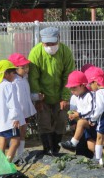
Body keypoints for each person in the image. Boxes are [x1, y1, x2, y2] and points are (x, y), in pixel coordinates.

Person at [28, 27, 75, 156]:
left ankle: (55, 148)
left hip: (60, 95)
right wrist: (37, 98)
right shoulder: (35, 53)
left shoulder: (65, 52)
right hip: (42, 97)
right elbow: (33, 78)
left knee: (61, 121)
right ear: (42, 42)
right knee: (44, 122)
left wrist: (65, 97)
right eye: (47, 44)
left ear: (58, 40)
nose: (50, 46)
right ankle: (47, 149)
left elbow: (68, 75)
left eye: (53, 43)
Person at [8, 53, 44, 156]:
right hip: (17, 113)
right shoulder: (13, 81)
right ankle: (13, 156)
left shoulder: (24, 79)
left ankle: (20, 156)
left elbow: (27, 96)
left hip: (25, 112)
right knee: (16, 136)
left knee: (23, 134)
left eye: (26, 67)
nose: (26, 69)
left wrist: (37, 97)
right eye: (23, 67)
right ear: (14, 68)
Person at [0, 60, 25, 162]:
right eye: (13, 73)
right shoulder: (9, 86)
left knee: (2, 142)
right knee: (15, 141)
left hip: (0, 120)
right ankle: (7, 164)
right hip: (10, 120)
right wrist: (15, 117)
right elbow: (13, 103)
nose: (15, 75)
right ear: (6, 73)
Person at [59, 71, 96, 155]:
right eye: (70, 89)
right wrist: (73, 117)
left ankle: (73, 143)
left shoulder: (89, 95)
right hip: (85, 125)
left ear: (83, 85)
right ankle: (99, 159)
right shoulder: (78, 97)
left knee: (81, 123)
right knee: (89, 145)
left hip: (92, 122)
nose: (72, 91)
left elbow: (91, 110)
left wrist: (78, 114)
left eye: (74, 88)